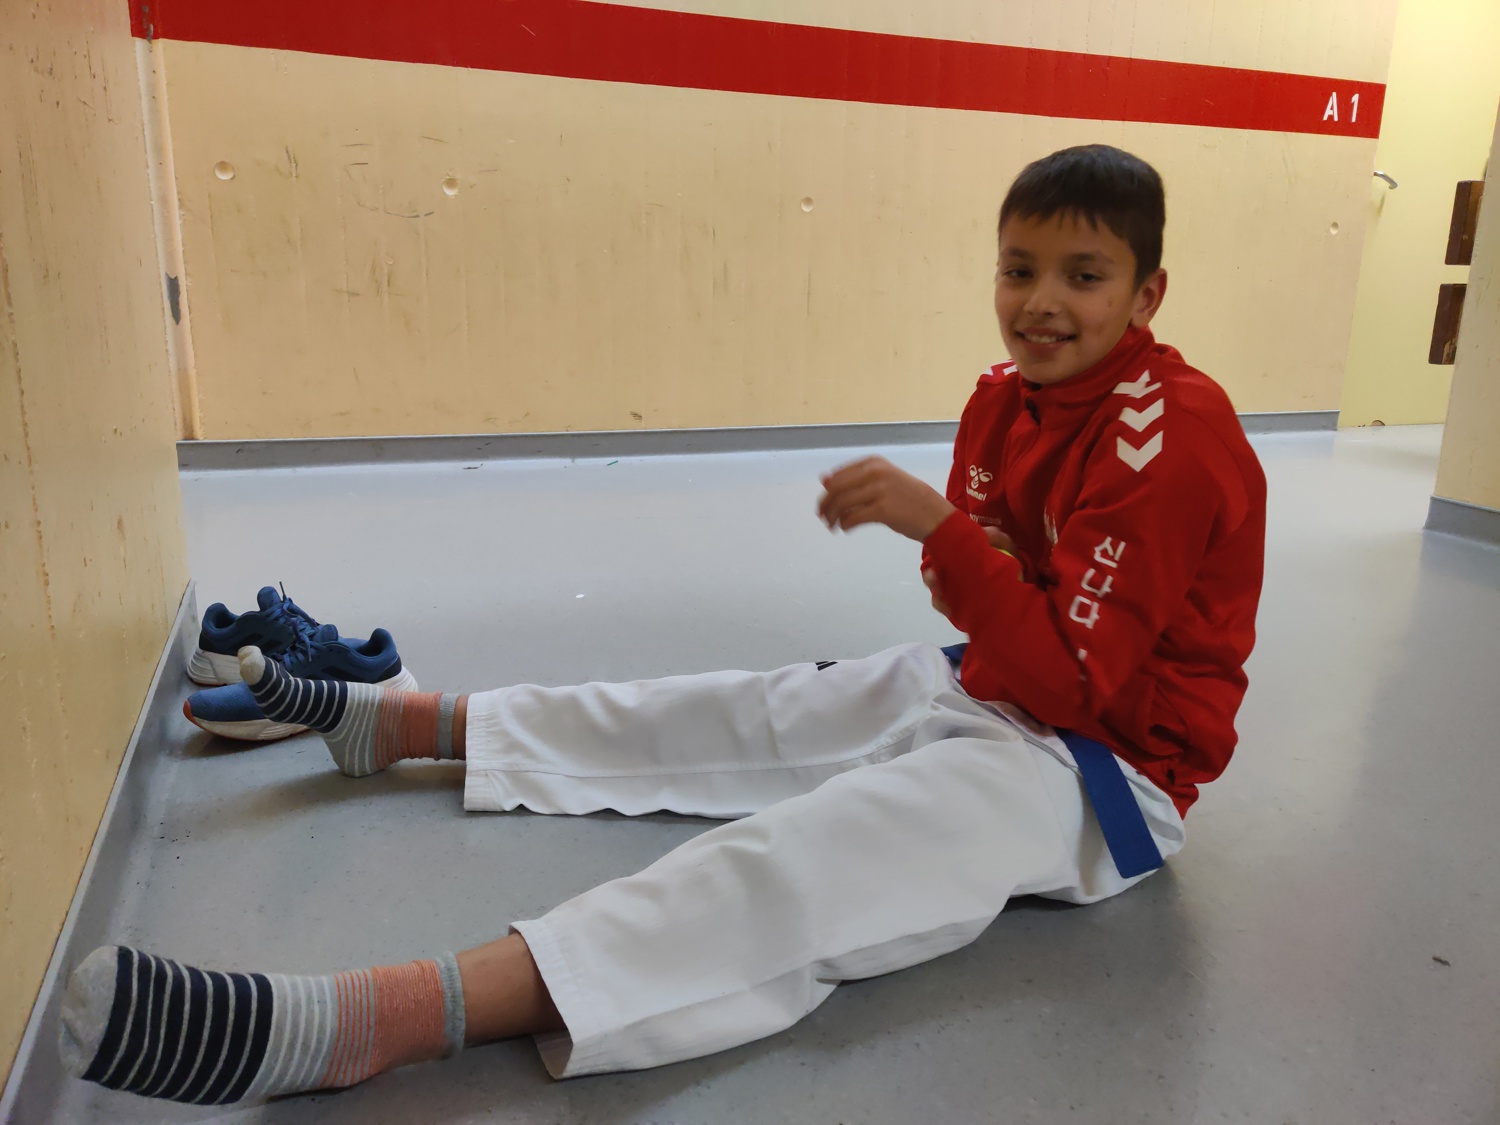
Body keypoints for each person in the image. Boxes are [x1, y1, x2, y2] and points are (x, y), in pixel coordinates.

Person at [60, 144, 1265, 1107]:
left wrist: (939, 533)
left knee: (822, 848)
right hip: (992, 680)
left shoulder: (1173, 440)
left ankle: (371, 1022)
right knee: (740, 708)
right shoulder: (1003, 398)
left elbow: (1071, 681)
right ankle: (403, 723)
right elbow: (986, 603)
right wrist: (962, 558)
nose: (1041, 303)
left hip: (1105, 765)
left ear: (1146, 292)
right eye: (1018, 269)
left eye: (1083, 276)